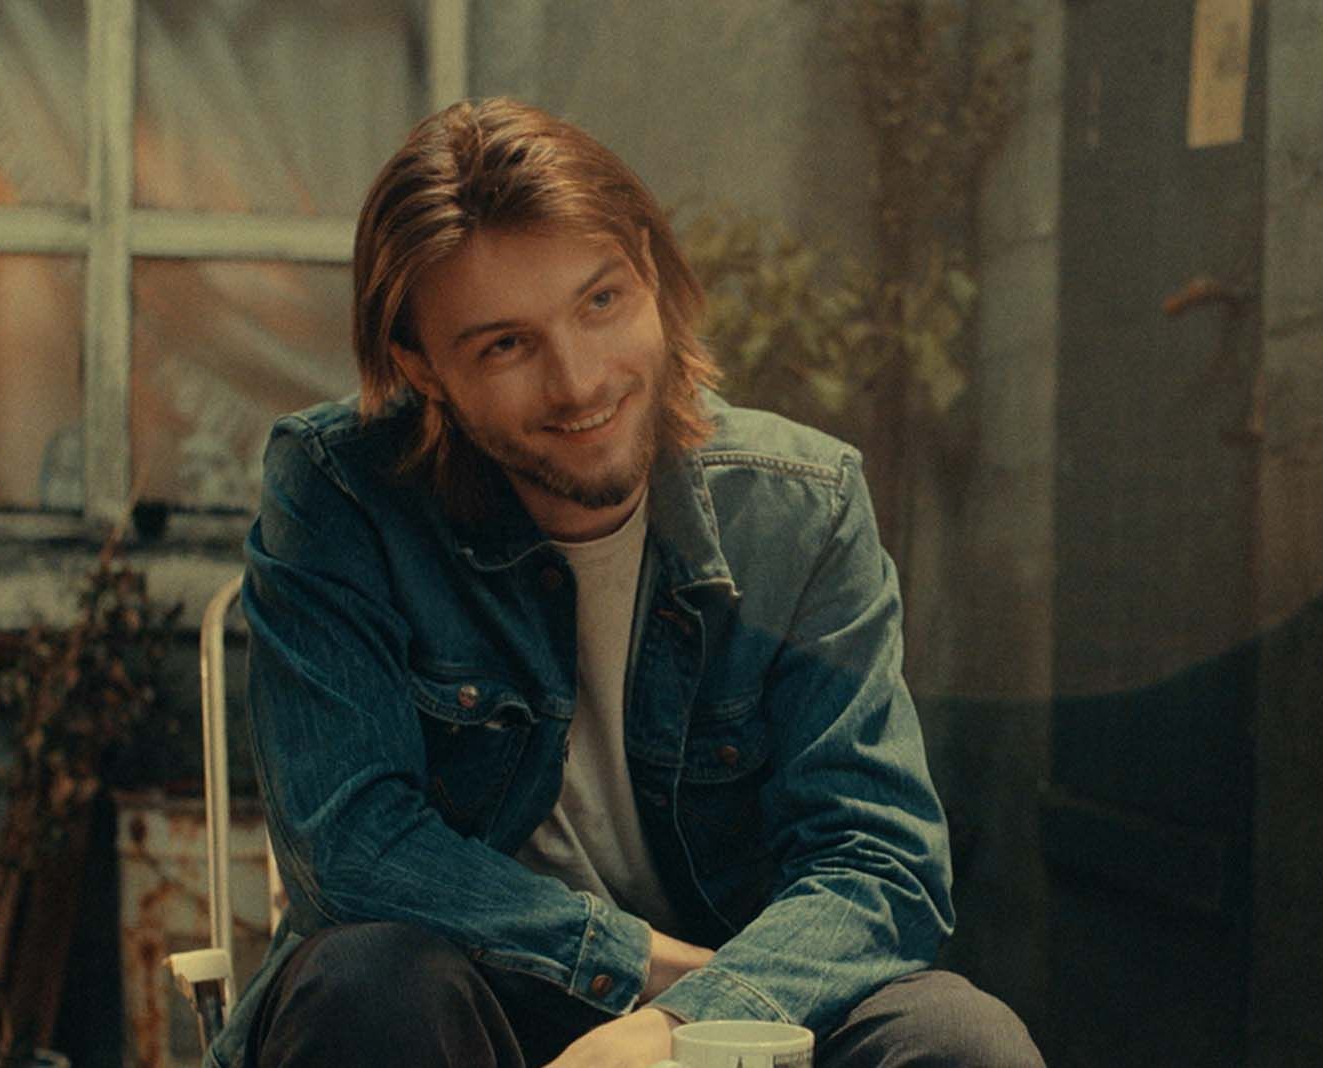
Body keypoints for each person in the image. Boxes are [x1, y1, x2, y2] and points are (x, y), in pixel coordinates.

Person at [217, 97, 1043, 1068]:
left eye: (600, 302)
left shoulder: (800, 507)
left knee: (962, 1041)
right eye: (504, 345)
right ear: (421, 367)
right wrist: (638, 969)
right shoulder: (343, 494)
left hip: (742, 1000)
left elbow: (879, 861)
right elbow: (350, 846)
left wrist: (683, 1025)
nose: (578, 382)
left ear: (650, 275)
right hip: (470, 1005)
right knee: (369, 984)